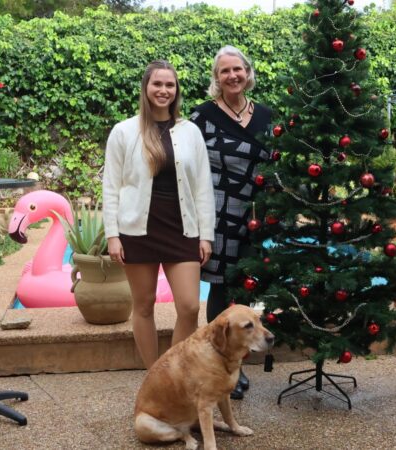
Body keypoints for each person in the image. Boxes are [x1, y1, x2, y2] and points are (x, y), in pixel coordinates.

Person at [102, 60, 215, 369]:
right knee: (144, 306)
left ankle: (172, 374)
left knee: (190, 307)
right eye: (157, 84)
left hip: (182, 229)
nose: (164, 90)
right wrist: (113, 235)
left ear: (176, 90)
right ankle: (154, 375)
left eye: (170, 85)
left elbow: (203, 186)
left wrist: (206, 235)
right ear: (146, 88)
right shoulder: (124, 132)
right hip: (138, 231)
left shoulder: (189, 131)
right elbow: (111, 186)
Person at [189, 45, 273, 400]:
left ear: (248, 73)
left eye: (237, 69)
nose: (232, 76)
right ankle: (221, 365)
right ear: (216, 78)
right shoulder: (201, 116)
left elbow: (280, 161)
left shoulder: (268, 115)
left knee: (249, 289)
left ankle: (240, 363)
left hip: (257, 212)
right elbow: (188, 166)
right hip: (218, 211)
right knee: (221, 289)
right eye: (224, 71)